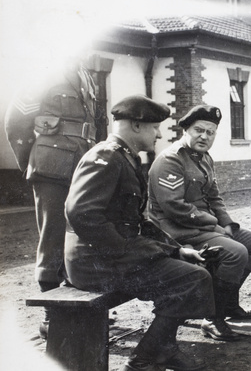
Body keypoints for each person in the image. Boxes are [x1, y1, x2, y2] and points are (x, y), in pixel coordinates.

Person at [64, 95, 211, 371]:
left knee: (189, 271)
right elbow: (82, 214)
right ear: (135, 126)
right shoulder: (106, 157)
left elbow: (137, 221)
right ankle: (143, 360)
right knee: (192, 279)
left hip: (110, 258)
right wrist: (128, 252)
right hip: (95, 265)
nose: (158, 134)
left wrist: (175, 249)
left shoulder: (126, 158)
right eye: (155, 127)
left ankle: (163, 349)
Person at [148, 105, 251, 340]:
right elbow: (175, 207)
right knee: (236, 253)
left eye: (210, 132)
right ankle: (212, 318)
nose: (204, 136)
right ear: (185, 130)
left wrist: (228, 223)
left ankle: (228, 304)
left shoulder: (204, 158)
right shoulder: (171, 160)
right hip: (179, 231)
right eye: (198, 130)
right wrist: (214, 224)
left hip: (204, 227)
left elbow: (214, 196)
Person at [4, 56, 101, 338]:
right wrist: (36, 160)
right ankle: (52, 311)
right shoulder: (42, 68)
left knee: (81, 230)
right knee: (54, 233)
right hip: (52, 165)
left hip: (83, 162)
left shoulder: (85, 73)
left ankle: (76, 299)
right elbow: (16, 122)